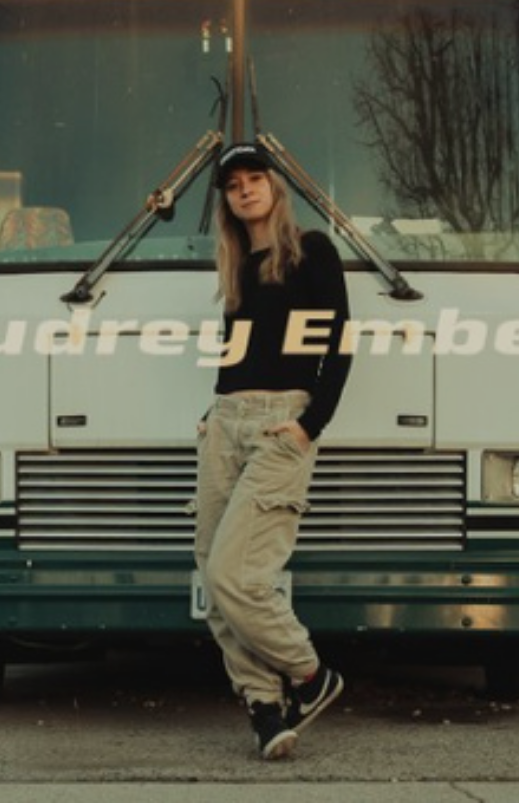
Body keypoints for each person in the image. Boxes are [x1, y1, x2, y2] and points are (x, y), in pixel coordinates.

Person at [195, 142, 352, 760]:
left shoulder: (312, 251)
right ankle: (264, 707)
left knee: (236, 575)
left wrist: (312, 424)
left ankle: (310, 675)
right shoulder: (236, 264)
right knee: (214, 576)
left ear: (275, 186)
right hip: (225, 424)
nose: (245, 190)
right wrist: (212, 412)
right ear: (227, 202)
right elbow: (239, 353)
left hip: (280, 425)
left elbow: (338, 345)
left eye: (254, 178)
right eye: (233, 184)